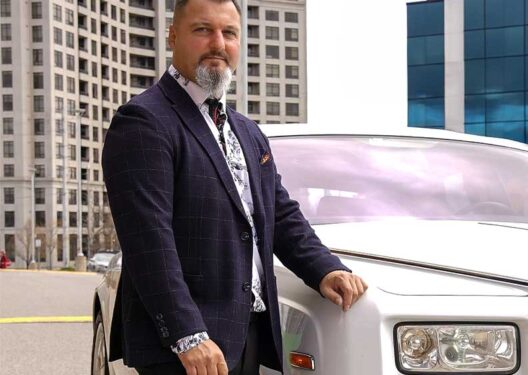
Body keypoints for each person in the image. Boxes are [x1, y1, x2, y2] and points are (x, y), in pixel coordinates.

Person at [101, 1, 367, 374]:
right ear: (173, 35)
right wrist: (187, 335)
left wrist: (325, 269)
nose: (218, 44)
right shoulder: (144, 121)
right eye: (202, 30)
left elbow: (281, 214)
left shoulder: (247, 131)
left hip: (246, 335)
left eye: (229, 33)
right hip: (183, 352)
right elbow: (148, 240)